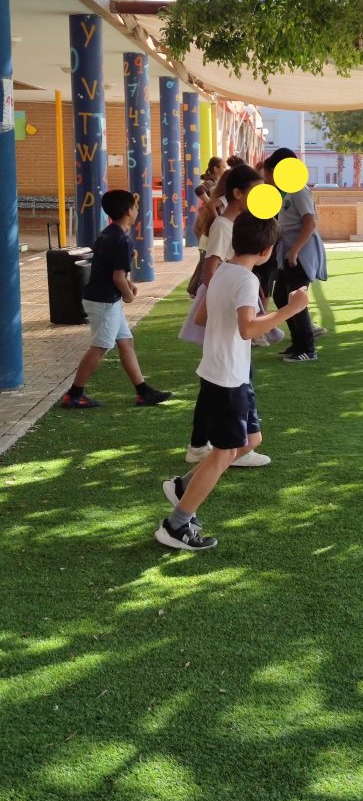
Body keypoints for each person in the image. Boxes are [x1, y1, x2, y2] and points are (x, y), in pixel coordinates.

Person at [156, 213, 309, 551]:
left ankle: (184, 486)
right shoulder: (246, 280)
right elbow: (248, 329)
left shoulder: (224, 271)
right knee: (224, 454)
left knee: (251, 440)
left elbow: (202, 316)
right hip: (226, 378)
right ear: (267, 251)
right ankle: (176, 524)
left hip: (227, 373)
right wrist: (291, 309)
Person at [186, 163, 272, 467]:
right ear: (237, 193)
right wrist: (229, 300)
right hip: (226, 314)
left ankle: (219, 446)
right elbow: (212, 269)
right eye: (254, 191)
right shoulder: (225, 226)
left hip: (228, 314)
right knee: (225, 383)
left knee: (219, 383)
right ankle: (219, 447)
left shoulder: (241, 225)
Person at [61, 190, 172, 409]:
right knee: (100, 347)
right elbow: (117, 277)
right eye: (135, 206)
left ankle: (143, 392)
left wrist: (128, 285)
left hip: (104, 299)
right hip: (104, 302)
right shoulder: (122, 240)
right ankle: (74, 394)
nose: (137, 210)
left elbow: (111, 269)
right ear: (129, 211)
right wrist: (129, 295)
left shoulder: (108, 234)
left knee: (125, 342)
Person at [263, 147, 328, 363]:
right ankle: (298, 342)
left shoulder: (299, 190)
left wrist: (295, 250)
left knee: (295, 298)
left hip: (301, 252)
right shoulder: (287, 190)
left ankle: (308, 348)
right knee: (282, 296)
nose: (268, 178)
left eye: (270, 172)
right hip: (289, 250)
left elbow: (310, 222)